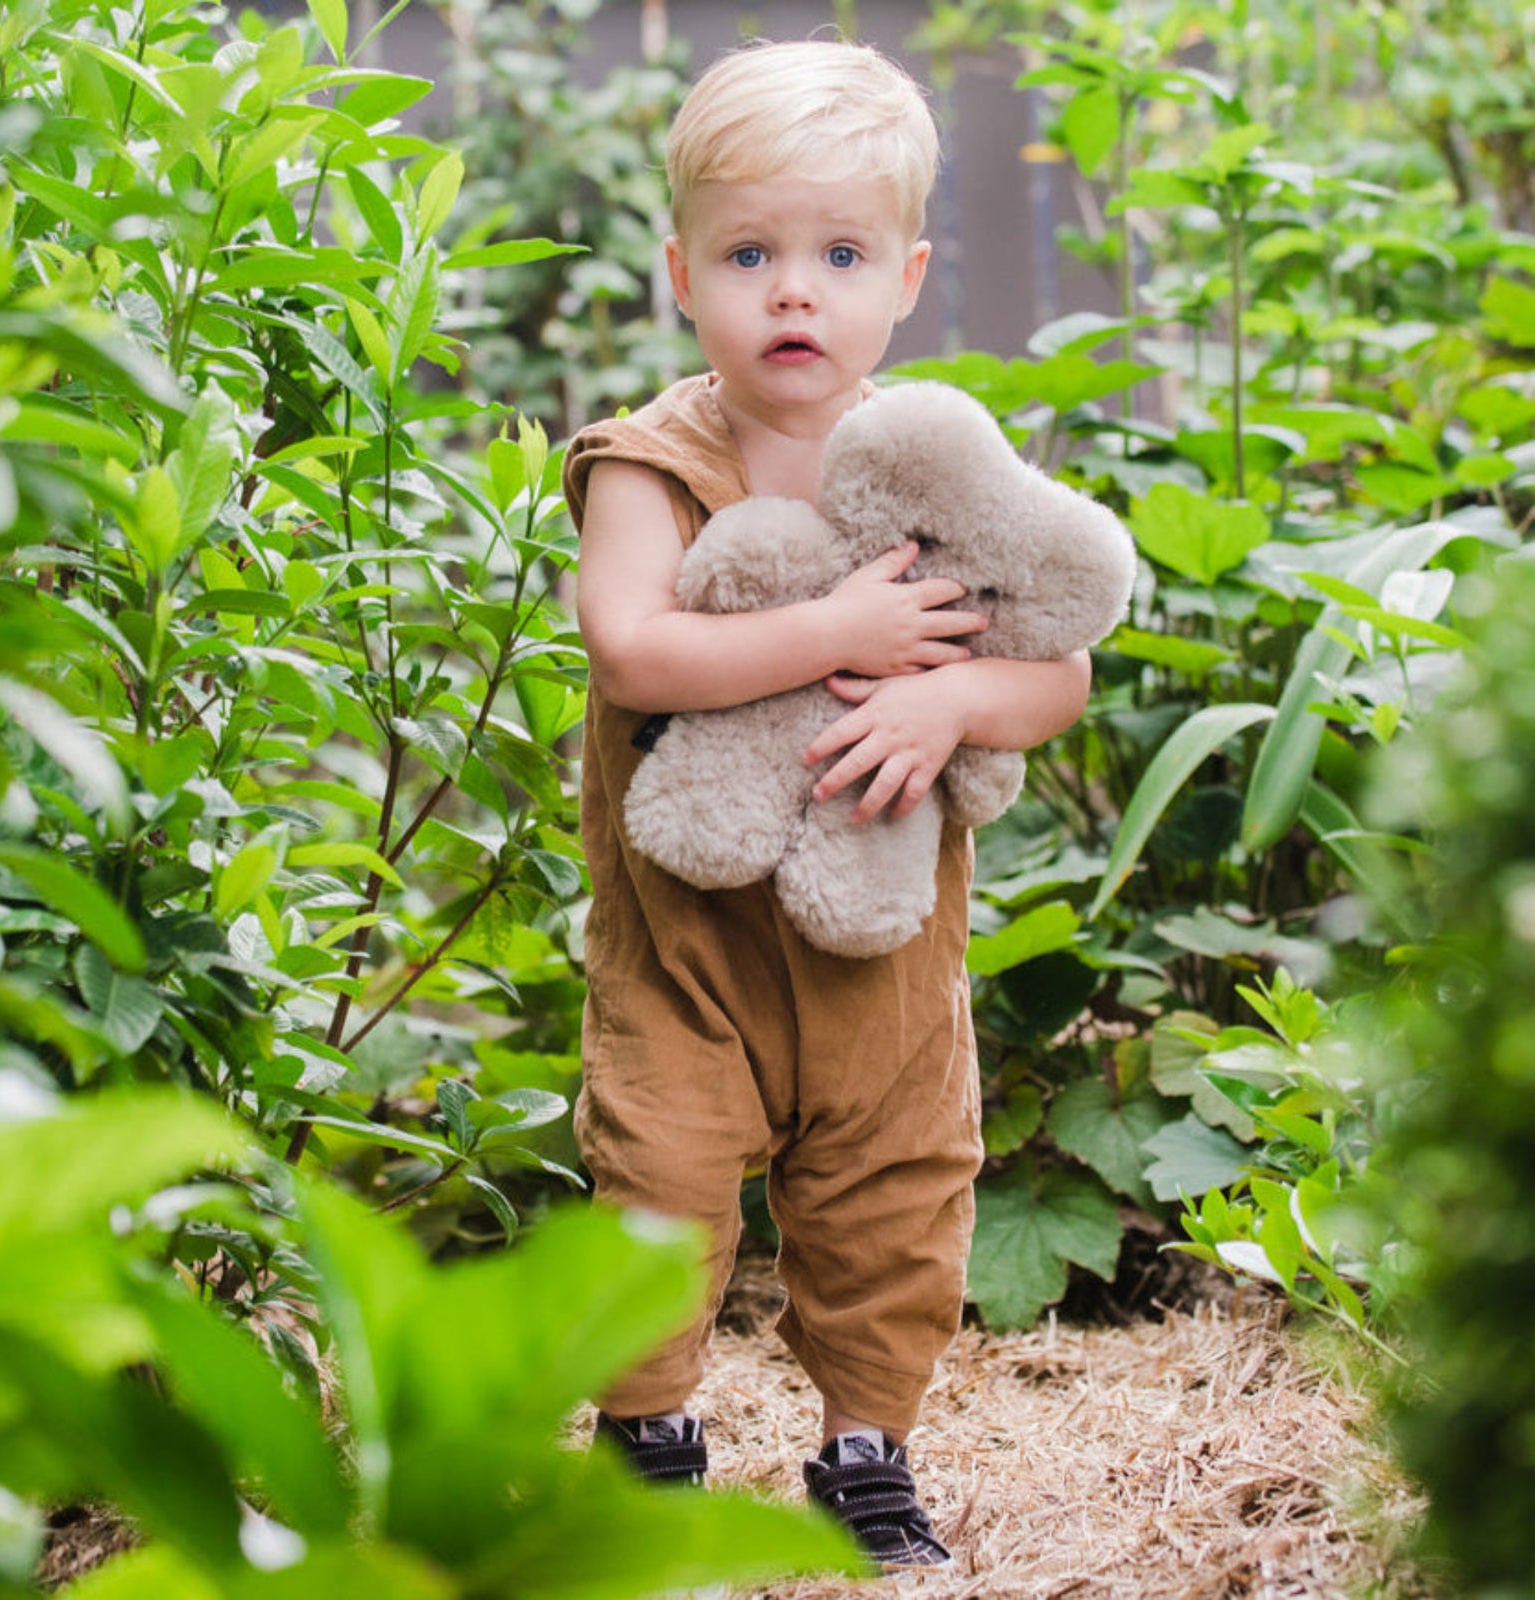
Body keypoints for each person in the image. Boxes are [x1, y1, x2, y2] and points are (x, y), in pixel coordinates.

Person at [564, 37, 1091, 1569]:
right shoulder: (649, 466)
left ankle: (867, 1452)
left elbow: (1051, 679)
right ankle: (650, 1431)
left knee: (895, 1203)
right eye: (750, 253)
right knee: (656, 1179)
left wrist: (943, 695)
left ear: (908, 275)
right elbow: (635, 649)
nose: (794, 292)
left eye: (839, 253)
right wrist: (840, 636)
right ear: (682, 273)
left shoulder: (941, 466)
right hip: (689, 952)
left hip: (885, 960)